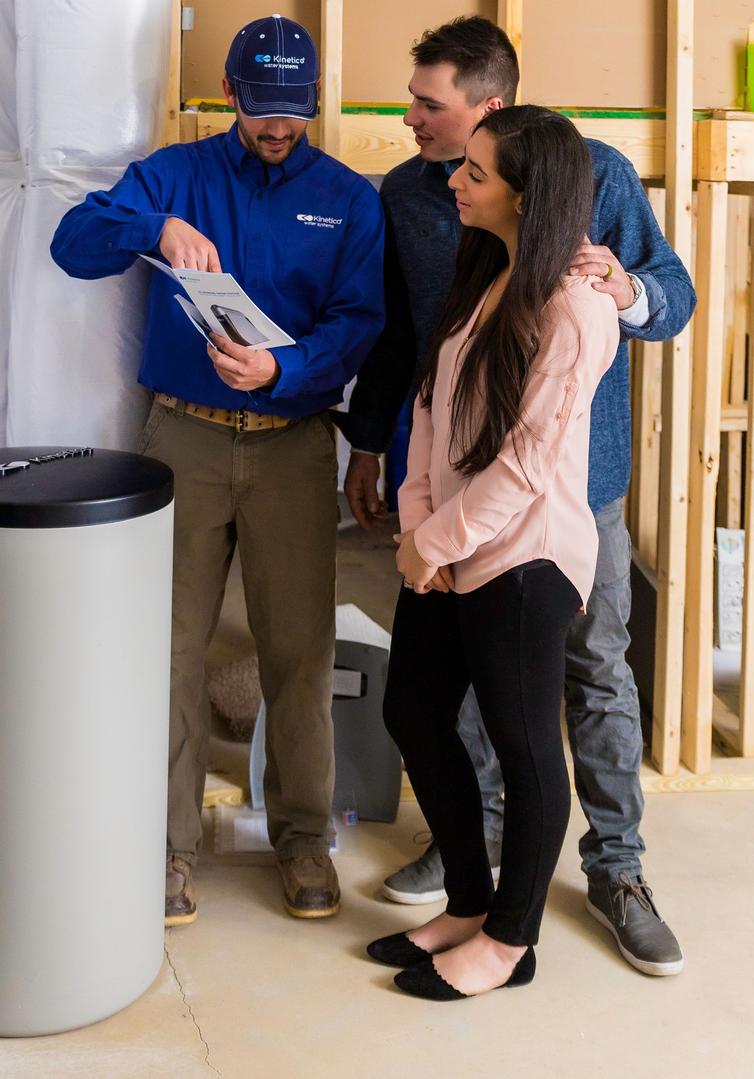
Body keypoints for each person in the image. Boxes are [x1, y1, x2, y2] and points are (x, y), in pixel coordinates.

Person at [337, 16, 694, 976]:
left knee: (591, 675)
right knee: (455, 702)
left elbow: (673, 295)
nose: (410, 118)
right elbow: (411, 344)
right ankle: (480, 862)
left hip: (571, 490)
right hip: (454, 494)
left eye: (428, 103)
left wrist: (622, 285)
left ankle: (616, 870)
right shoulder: (413, 198)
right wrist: (380, 458)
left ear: (488, 109)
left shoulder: (596, 175)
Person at [50, 15, 384, 925]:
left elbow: (359, 322)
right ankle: (168, 846)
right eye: (263, 108)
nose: (278, 127)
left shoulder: (347, 199)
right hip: (184, 440)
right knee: (169, 647)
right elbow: (72, 242)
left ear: (315, 99)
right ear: (230, 94)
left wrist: (283, 369)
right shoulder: (176, 175)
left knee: (299, 650)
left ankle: (303, 837)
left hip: (293, 442)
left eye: (294, 111)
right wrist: (155, 227)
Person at [367, 104, 619, 1000]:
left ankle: (512, 940)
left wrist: (434, 540)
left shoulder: (577, 309)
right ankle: (469, 903)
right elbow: (430, 407)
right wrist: (419, 524)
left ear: (526, 194)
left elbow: (526, 465)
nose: (455, 180)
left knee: (523, 743)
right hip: (446, 544)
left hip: (525, 558)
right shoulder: (483, 271)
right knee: (413, 712)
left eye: (475, 171)